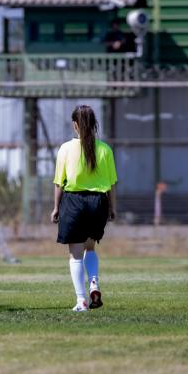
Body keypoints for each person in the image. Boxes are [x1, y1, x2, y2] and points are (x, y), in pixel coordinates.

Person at [51, 104, 118, 312]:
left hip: (74, 201)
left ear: (75, 125)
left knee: (75, 255)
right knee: (90, 248)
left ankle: (81, 300)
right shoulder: (105, 149)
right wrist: (112, 208)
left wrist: (55, 208)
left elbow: (59, 183)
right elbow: (112, 184)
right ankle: (94, 282)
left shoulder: (65, 149)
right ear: (93, 124)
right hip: (98, 203)